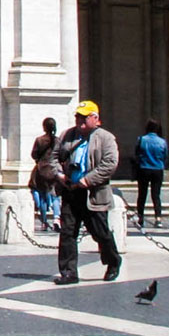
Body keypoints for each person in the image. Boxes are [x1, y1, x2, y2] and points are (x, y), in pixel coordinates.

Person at [53, 100, 122, 285]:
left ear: (95, 118)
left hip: (93, 193)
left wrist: (88, 179)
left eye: (84, 117)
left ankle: (113, 261)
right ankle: (68, 272)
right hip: (71, 191)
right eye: (77, 116)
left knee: (100, 232)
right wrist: (59, 174)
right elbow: (53, 157)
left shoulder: (106, 138)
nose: (80, 120)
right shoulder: (67, 135)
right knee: (67, 232)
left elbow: (110, 163)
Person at [29, 117, 61, 233]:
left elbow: (34, 154)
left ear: (44, 127)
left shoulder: (39, 140)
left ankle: (44, 222)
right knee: (55, 195)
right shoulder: (58, 140)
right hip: (54, 170)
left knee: (43, 197)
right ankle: (57, 217)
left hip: (42, 170)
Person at [135, 120, 168, 229]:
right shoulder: (162, 142)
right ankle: (158, 218)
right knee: (156, 195)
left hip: (144, 168)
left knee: (142, 194)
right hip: (157, 169)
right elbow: (165, 155)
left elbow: (137, 153)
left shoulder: (141, 139)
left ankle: (140, 217)